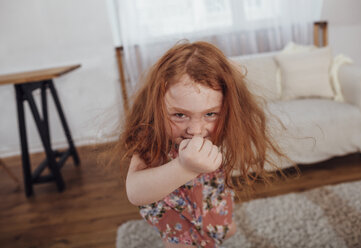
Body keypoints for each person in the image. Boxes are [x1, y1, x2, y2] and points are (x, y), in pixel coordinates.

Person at [117, 41, 284, 248]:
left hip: (208, 195)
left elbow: (235, 71)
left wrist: (222, 68)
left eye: (210, 114)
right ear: (157, 107)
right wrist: (184, 167)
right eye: (179, 115)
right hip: (175, 210)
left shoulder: (222, 115)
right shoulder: (152, 134)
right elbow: (135, 192)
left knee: (227, 230)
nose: (195, 130)